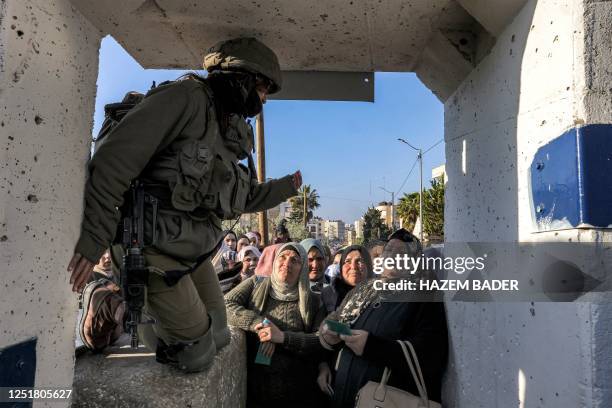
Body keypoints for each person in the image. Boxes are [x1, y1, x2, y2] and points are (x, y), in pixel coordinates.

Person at [69, 37, 303, 372]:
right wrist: (93, 242)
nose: (263, 99)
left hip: (192, 252)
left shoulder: (230, 130)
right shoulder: (184, 99)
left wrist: (286, 188)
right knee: (194, 355)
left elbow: (244, 197)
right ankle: (110, 302)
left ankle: (146, 311)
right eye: (263, 87)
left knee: (220, 335)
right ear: (241, 76)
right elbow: (112, 162)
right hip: (149, 246)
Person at [319, 230, 448, 407]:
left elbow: (430, 355)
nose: (391, 257)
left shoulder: (425, 295)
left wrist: (371, 346)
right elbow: (333, 321)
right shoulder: (364, 289)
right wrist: (328, 333)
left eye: (400, 253)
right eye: (388, 251)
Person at [225, 243, 327, 407]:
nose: (287, 263)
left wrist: (282, 337)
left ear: (303, 269)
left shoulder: (314, 301)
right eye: (283, 257)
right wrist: (260, 324)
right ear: (274, 262)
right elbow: (225, 304)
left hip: (298, 391)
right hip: (256, 390)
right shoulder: (255, 284)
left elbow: (319, 340)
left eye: (295, 260)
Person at [320, 245, 372, 314]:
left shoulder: (379, 296)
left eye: (360, 261)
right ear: (341, 267)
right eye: (348, 261)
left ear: (369, 266)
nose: (353, 267)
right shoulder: (327, 294)